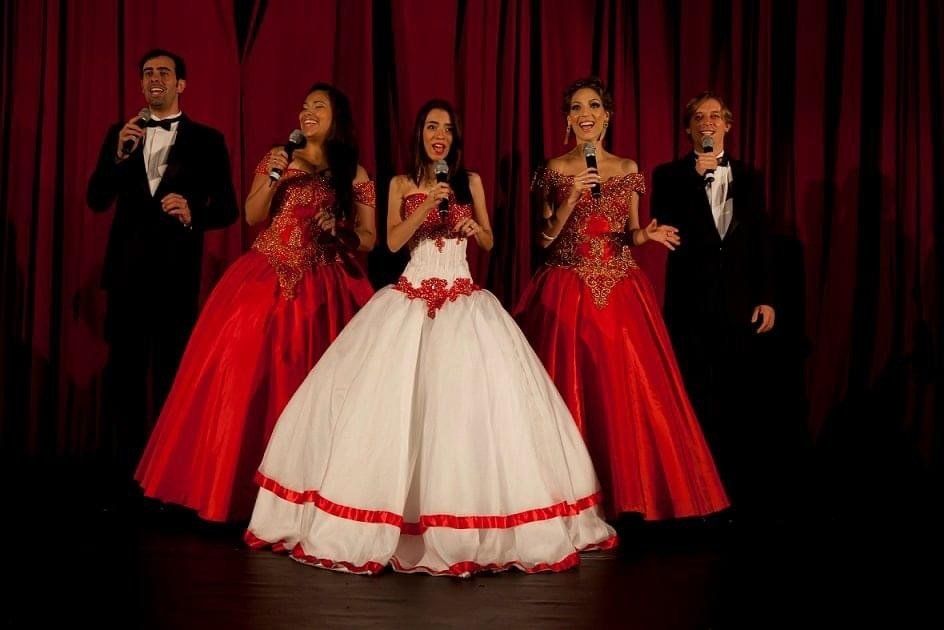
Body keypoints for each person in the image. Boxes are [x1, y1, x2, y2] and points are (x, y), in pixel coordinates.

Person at [245, 99, 615, 576]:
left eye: (447, 129)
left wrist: (473, 227)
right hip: (410, 296)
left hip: (463, 298)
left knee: (465, 415)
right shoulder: (401, 183)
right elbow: (392, 242)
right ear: (420, 134)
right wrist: (425, 208)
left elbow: (489, 241)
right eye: (432, 127)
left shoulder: (470, 181)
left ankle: (468, 523)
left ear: (454, 139)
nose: (439, 135)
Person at [134, 83, 377, 522]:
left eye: (318, 107)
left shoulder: (353, 173)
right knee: (242, 378)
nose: (307, 112)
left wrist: (340, 230)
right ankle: (231, 490)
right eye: (304, 106)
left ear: (337, 117)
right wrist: (275, 174)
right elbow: (252, 214)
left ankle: (304, 490)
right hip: (265, 273)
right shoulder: (277, 157)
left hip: (325, 285)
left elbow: (369, 238)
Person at [514, 77, 729, 521]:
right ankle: (569, 495)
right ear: (567, 118)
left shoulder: (627, 167)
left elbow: (629, 232)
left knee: (626, 392)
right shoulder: (553, 168)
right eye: (576, 107)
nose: (585, 114)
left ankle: (631, 495)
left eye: (593, 106)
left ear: (607, 116)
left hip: (620, 287)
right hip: (567, 285)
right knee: (570, 388)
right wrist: (571, 197)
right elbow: (543, 239)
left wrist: (645, 235)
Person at [87, 48, 239, 481]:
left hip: (175, 277)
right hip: (126, 276)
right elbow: (96, 199)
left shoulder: (208, 140)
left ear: (181, 84)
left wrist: (194, 213)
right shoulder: (121, 134)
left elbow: (228, 208)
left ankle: (169, 474)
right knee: (125, 377)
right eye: (148, 72)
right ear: (140, 84)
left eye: (164, 72)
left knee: (172, 375)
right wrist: (118, 157)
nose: (155, 78)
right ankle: (126, 474)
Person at [650, 91, 775, 513]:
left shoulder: (750, 176)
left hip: (738, 304)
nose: (707, 123)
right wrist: (694, 179)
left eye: (715, 116)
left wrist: (766, 297)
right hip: (690, 304)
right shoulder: (669, 175)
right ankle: (695, 491)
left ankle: (733, 491)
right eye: (699, 117)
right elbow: (665, 224)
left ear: (727, 125)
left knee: (736, 398)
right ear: (688, 129)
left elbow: (760, 240)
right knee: (693, 395)